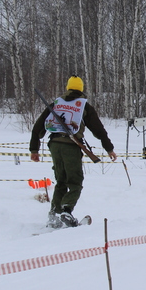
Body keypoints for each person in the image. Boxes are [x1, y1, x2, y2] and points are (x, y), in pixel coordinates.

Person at [29, 76, 117, 227]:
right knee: (75, 182)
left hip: (54, 145)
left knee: (61, 181)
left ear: (68, 88)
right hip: (71, 146)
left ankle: (54, 214)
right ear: (81, 89)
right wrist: (109, 148)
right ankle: (66, 210)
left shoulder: (56, 104)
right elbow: (99, 130)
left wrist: (34, 149)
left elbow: (38, 128)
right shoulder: (84, 107)